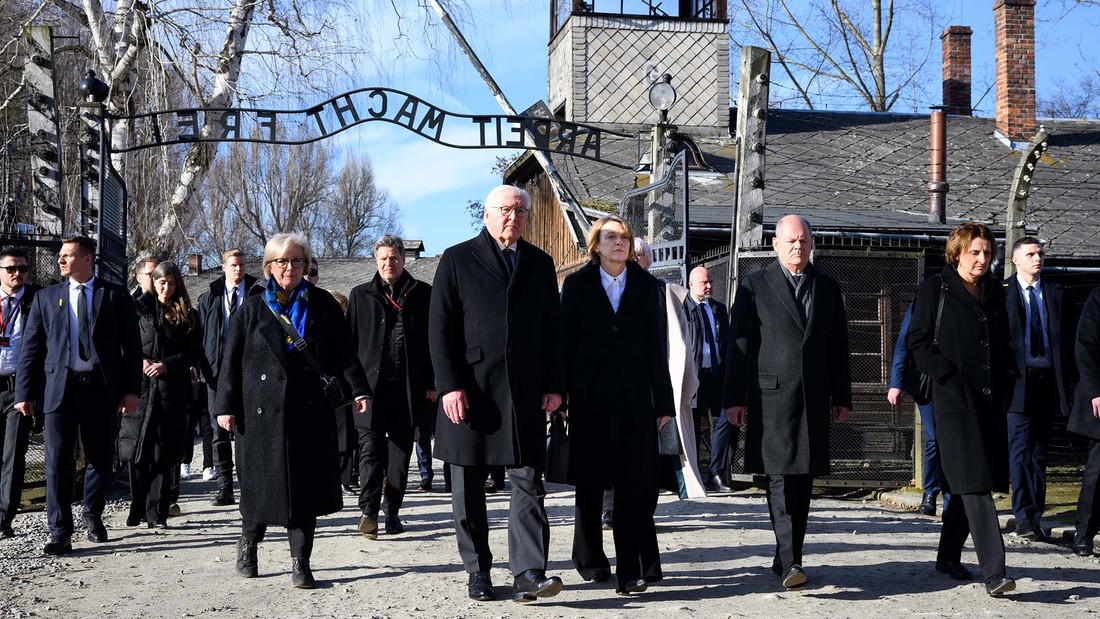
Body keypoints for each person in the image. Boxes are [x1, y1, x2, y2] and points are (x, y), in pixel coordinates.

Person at [429, 185, 565, 603]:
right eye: (505, 210)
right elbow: (440, 328)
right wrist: (449, 385)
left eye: (521, 211)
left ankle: (528, 572)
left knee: (528, 483)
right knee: (467, 488)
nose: (514, 217)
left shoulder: (540, 263)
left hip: (523, 392)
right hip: (471, 393)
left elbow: (553, 330)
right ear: (486, 214)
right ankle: (478, 571)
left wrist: (556, 385)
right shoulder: (457, 258)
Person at [215, 233, 369, 589]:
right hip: (259, 416)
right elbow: (231, 362)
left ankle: (302, 562)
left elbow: (344, 354)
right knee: (258, 489)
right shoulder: (250, 309)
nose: (290, 268)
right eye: (282, 262)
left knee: (304, 491)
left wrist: (359, 388)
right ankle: (249, 546)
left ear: (305, 265)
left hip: (308, 412)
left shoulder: (324, 305)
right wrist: (225, 406)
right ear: (269, 267)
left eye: (297, 261)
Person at [723, 215, 851, 591]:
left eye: (805, 241)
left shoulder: (827, 287)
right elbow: (739, 346)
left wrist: (841, 396)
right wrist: (734, 398)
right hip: (771, 395)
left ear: (812, 245)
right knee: (778, 477)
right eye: (791, 241)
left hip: (813, 396)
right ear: (775, 244)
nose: (798, 247)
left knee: (802, 479)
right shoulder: (755, 284)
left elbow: (838, 346)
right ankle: (792, 560)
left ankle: (787, 554)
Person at [562, 216, 675, 594]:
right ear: (595, 245)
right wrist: (560, 396)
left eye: (624, 237)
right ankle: (591, 559)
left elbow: (657, 347)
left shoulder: (648, 286)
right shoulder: (576, 286)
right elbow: (566, 345)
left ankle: (634, 569)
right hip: (589, 398)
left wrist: (664, 402)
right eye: (610, 237)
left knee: (634, 484)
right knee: (590, 484)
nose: (619, 243)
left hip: (635, 398)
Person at [908, 222, 1017, 597]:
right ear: (957, 253)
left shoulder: (994, 292)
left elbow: (1004, 342)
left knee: (966, 480)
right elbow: (918, 341)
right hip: (953, 401)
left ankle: (947, 556)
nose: (982, 259)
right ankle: (995, 572)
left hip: (989, 401)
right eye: (975, 252)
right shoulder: (934, 288)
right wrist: (948, 377)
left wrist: (1009, 377)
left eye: (987, 252)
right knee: (976, 484)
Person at [14, 235, 142, 555]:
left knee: (99, 457)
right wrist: (24, 393)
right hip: (60, 390)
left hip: (100, 388)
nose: (60, 260)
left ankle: (93, 517)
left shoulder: (114, 296)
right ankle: (59, 531)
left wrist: (131, 391)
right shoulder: (46, 298)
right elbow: (31, 351)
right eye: (60, 255)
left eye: (68, 255)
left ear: (87, 259)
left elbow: (132, 348)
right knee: (57, 462)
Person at [346, 235, 435, 538]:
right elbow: (349, 347)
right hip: (371, 392)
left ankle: (392, 512)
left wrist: (433, 383)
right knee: (370, 452)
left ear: (403, 259)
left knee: (399, 454)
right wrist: (355, 387)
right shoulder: (360, 296)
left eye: (394, 258)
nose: (388, 264)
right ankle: (368, 510)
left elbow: (434, 343)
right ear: (376, 261)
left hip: (407, 390)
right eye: (383, 259)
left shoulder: (423, 294)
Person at [119, 262, 202, 528]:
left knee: (164, 452)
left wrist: (167, 364)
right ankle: (138, 504)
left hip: (171, 387)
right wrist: (140, 360)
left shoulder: (187, 314)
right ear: (152, 282)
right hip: (140, 388)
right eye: (161, 282)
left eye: (171, 283)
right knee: (137, 448)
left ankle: (157, 512)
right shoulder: (136, 308)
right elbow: (124, 343)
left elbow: (194, 352)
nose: (166, 288)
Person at [1003, 237, 1071, 541]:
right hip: (1018, 382)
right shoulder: (1003, 292)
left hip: (1047, 381)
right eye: (1030, 254)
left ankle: (1036, 515)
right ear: (1016, 259)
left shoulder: (1055, 293)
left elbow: (1066, 339)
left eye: (1041, 253)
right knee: (1020, 451)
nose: (1038, 258)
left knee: (1040, 453)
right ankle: (1022, 516)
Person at [197, 249, 260, 506]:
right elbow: (200, 335)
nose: (238, 269)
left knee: (249, 428)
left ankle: (250, 487)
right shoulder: (210, 297)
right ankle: (225, 487)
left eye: (242, 265)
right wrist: (201, 367)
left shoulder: (258, 293)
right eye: (233, 265)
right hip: (217, 370)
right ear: (223, 267)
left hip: (250, 369)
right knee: (218, 429)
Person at [887, 304, 949, 516]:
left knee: (954, 440)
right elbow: (903, 345)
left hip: (959, 382)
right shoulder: (922, 303)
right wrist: (896, 382)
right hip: (929, 381)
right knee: (936, 437)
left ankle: (952, 497)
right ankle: (931, 492)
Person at [0, 248, 40, 540]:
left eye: (23, 269)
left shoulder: (38, 299)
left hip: (19, 388)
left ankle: (3, 517)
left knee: (13, 456)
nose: (18, 274)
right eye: (12, 268)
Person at [687, 266, 734, 492]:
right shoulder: (683, 309)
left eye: (711, 282)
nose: (709, 286)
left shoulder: (719, 309)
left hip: (716, 376)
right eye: (704, 282)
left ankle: (716, 473)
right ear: (691, 285)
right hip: (693, 377)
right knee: (693, 427)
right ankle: (694, 475)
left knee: (725, 420)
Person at [1070, 285, 1100, 557]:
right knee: (1098, 469)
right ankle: (1084, 532)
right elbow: (1085, 347)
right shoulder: (1098, 297)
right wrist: (1095, 391)